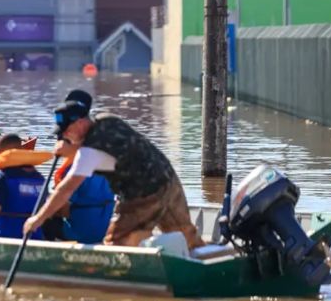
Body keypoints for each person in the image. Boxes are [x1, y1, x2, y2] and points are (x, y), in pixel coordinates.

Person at [23, 89, 205, 250]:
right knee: (186, 235)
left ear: (79, 124)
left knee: (114, 244)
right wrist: (73, 149)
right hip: (168, 179)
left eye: (65, 131)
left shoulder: (87, 154)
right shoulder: (108, 119)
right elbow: (110, 149)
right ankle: (205, 263)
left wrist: (37, 219)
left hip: (143, 195)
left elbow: (65, 190)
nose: (63, 136)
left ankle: (125, 278)